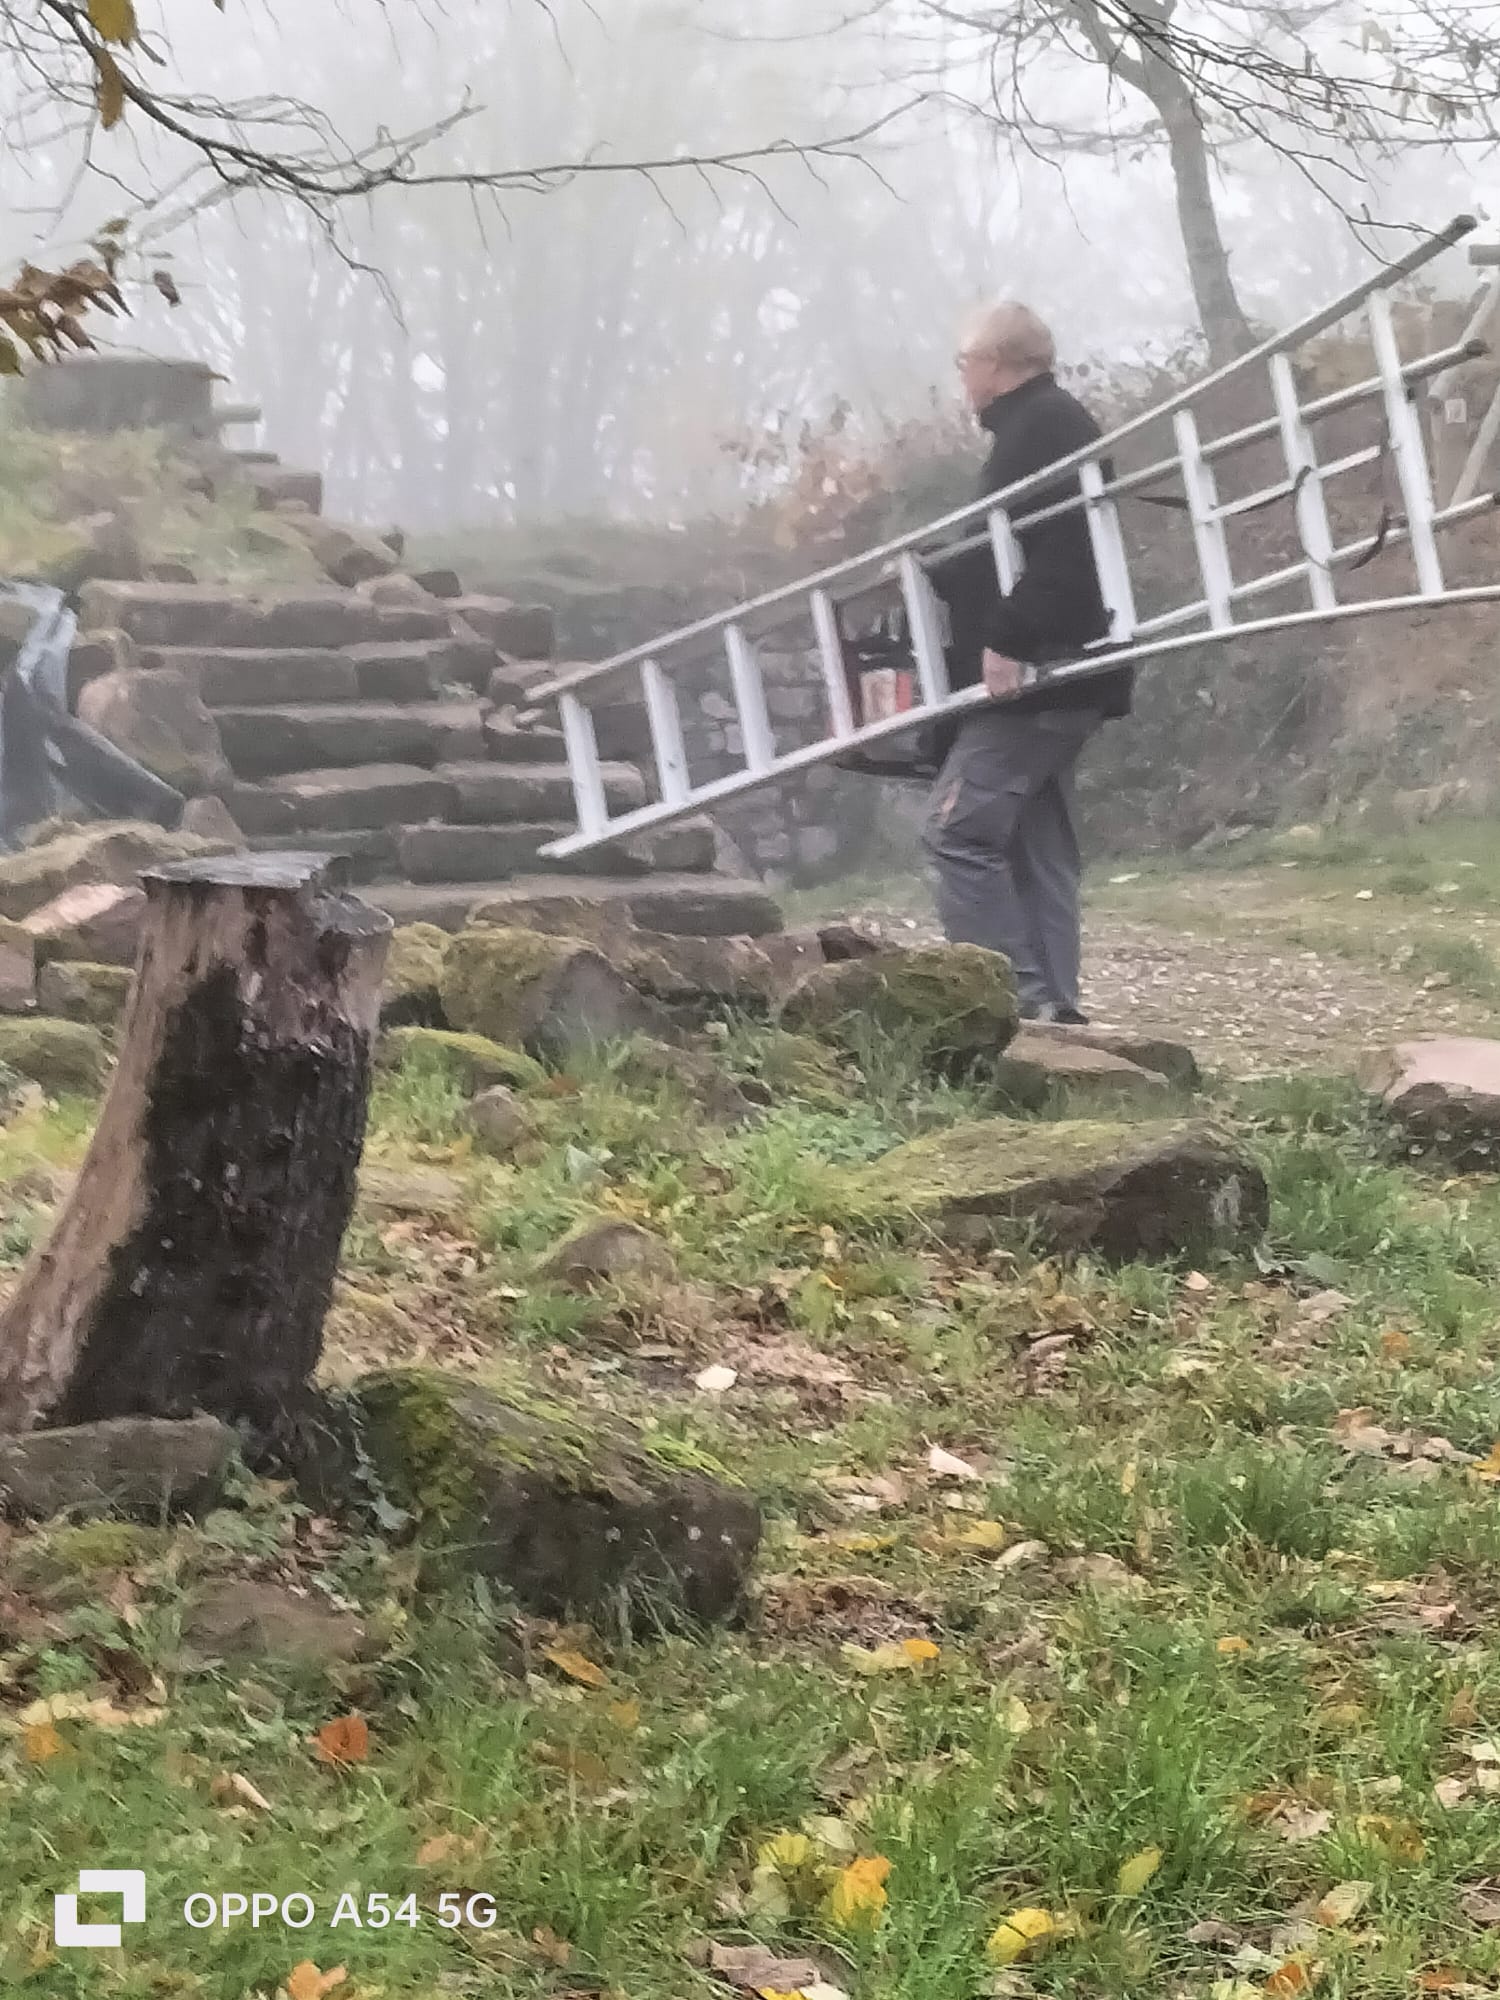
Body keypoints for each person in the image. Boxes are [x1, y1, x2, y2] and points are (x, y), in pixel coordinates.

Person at [923, 302, 1132, 1025]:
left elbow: (1065, 553)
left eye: (965, 363)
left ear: (996, 364)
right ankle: (1055, 1013)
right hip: (1062, 672)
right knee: (1035, 845)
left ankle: (1017, 1003)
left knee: (956, 834)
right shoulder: (1045, 424)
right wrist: (938, 571)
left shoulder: (1042, 429)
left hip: (1039, 674)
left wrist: (1008, 637)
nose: (963, 378)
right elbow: (1012, 550)